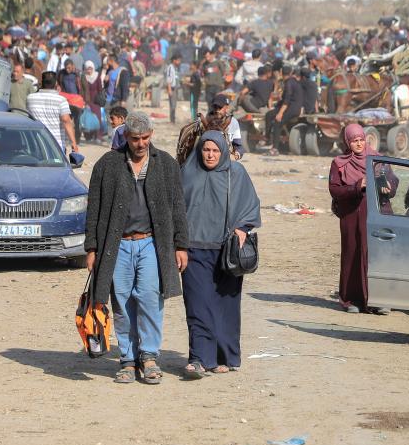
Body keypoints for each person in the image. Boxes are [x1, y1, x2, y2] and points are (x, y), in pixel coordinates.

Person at [84, 111, 189, 385]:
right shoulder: (107, 165)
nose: (140, 144)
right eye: (134, 138)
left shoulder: (166, 165)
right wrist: (92, 248)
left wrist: (181, 245)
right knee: (121, 302)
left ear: (151, 135)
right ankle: (128, 360)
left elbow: (178, 208)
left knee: (151, 298)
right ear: (125, 137)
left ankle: (150, 356)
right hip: (117, 245)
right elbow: (93, 210)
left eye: (144, 138)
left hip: (152, 244)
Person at [179, 131, 261, 378]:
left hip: (226, 252)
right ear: (200, 150)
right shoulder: (187, 172)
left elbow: (250, 206)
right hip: (193, 249)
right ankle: (199, 358)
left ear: (224, 151)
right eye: (206, 150)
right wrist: (178, 244)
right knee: (197, 304)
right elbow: (175, 208)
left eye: (215, 150)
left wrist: (242, 228)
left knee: (226, 306)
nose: (210, 155)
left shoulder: (236, 174)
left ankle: (224, 357)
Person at [329, 124, 391, 313]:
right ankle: (352, 300)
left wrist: (389, 186)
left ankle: (379, 300)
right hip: (352, 216)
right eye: (354, 141)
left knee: (377, 255)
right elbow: (335, 189)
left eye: (361, 140)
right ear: (347, 142)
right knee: (353, 254)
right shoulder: (339, 163)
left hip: (378, 214)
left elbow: (392, 182)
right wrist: (357, 186)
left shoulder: (377, 159)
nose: (358, 144)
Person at [27, 71, 79, 154]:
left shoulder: (30, 98)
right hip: (56, 145)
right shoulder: (61, 100)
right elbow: (66, 121)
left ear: (42, 83)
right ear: (56, 83)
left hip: (36, 144)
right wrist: (74, 143)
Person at [266, 65, 303, 155]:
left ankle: (275, 148)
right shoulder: (292, 82)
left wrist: (280, 113)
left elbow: (287, 101)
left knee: (277, 122)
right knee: (269, 114)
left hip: (292, 108)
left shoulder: (289, 83)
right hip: (291, 107)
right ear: (290, 73)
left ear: (282, 73)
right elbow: (284, 100)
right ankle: (268, 138)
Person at [164, 54, 181, 124]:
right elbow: (168, 79)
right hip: (172, 88)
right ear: (174, 60)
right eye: (178, 60)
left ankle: (173, 119)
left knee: (174, 104)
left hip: (176, 88)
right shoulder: (170, 67)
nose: (179, 62)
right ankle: (172, 119)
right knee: (172, 105)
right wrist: (169, 89)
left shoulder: (176, 67)